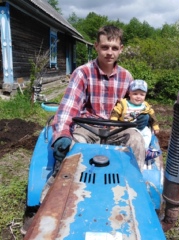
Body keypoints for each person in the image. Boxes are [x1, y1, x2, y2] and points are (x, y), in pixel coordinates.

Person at [51, 25, 149, 171]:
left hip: (117, 128)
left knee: (136, 140)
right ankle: (60, 188)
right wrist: (63, 134)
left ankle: (135, 184)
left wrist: (142, 117)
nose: (110, 53)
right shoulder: (82, 73)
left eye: (114, 48)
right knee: (71, 149)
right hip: (87, 128)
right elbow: (68, 108)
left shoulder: (126, 77)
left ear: (121, 49)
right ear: (96, 46)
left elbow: (134, 104)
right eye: (105, 47)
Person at [110, 79, 161, 159]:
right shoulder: (124, 103)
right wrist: (113, 122)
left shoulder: (145, 106)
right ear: (129, 94)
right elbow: (115, 112)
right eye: (135, 94)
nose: (138, 97)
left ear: (145, 95)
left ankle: (144, 150)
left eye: (142, 94)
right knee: (125, 137)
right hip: (126, 126)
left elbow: (153, 116)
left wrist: (156, 127)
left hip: (140, 126)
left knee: (147, 133)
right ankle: (125, 149)